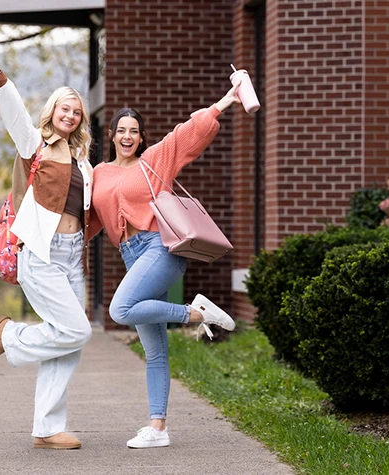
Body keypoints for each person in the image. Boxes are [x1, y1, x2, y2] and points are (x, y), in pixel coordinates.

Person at [0, 31, 93, 450]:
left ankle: (47, 428)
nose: (70, 115)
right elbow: (11, 105)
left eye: (77, 111)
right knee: (77, 330)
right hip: (42, 255)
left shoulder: (84, 160)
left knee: (66, 343)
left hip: (73, 257)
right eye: (65, 108)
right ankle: (10, 337)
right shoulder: (35, 144)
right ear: (53, 111)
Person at [88, 85, 241, 449]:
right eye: (121, 130)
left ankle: (196, 313)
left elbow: (187, 134)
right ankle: (158, 429)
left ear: (142, 138)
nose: (127, 136)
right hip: (131, 256)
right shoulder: (99, 173)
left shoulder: (154, 159)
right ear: (111, 136)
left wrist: (224, 102)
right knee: (155, 352)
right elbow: (87, 219)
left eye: (134, 131)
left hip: (161, 249)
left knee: (120, 309)